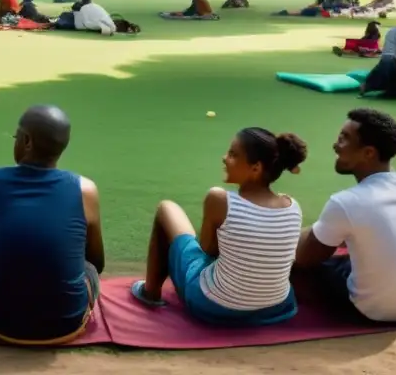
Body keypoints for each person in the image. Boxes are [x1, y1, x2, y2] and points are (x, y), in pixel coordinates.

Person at [132, 128, 307, 326]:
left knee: (167, 209)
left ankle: (150, 292)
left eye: (233, 155)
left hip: (215, 308)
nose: (224, 158)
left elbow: (207, 250)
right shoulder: (293, 207)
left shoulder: (220, 199)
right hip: (277, 308)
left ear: (256, 168)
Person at [295, 109, 396, 323]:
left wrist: (288, 230)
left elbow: (305, 257)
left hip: (366, 312)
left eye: (344, 139)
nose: (335, 145)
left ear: (368, 153)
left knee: (304, 270)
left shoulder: (346, 202)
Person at [0, 106, 104, 344]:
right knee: (89, 271)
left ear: (27, 141)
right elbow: (96, 261)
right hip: (65, 325)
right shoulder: (85, 190)